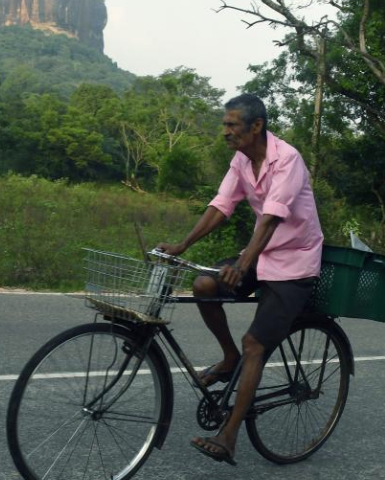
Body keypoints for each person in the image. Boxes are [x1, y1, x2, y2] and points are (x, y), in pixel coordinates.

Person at [156, 93, 324, 466]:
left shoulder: (287, 160)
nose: (226, 132)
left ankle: (229, 435)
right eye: (225, 125)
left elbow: (272, 217)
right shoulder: (241, 161)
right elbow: (221, 205)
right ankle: (228, 357)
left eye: (232, 125)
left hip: (294, 262)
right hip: (261, 256)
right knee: (203, 285)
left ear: (257, 126)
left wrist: (244, 263)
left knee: (255, 345)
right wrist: (183, 244)